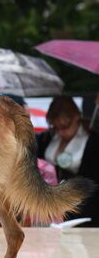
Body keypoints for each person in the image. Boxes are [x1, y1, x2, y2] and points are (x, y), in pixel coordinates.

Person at [36, 95, 99, 226]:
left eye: (65, 127)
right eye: (56, 127)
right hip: (50, 205)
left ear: (77, 117)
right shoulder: (46, 139)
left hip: (83, 209)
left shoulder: (93, 143)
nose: (60, 132)